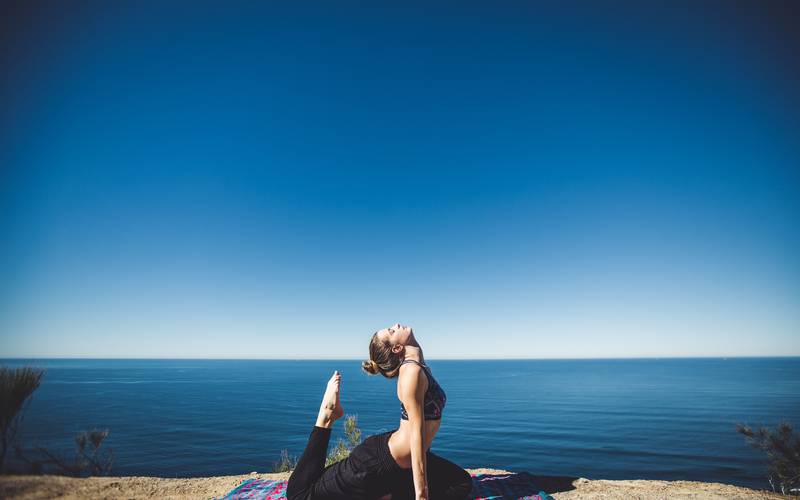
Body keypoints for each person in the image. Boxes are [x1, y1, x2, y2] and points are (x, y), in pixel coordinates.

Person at [286, 323, 472, 500]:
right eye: (391, 331)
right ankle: (326, 415)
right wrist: (421, 494)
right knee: (300, 494)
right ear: (397, 348)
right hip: (375, 464)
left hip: (400, 463)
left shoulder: (418, 366)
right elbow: (417, 434)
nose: (397, 325)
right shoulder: (411, 373)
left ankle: (387, 494)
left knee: (462, 483)